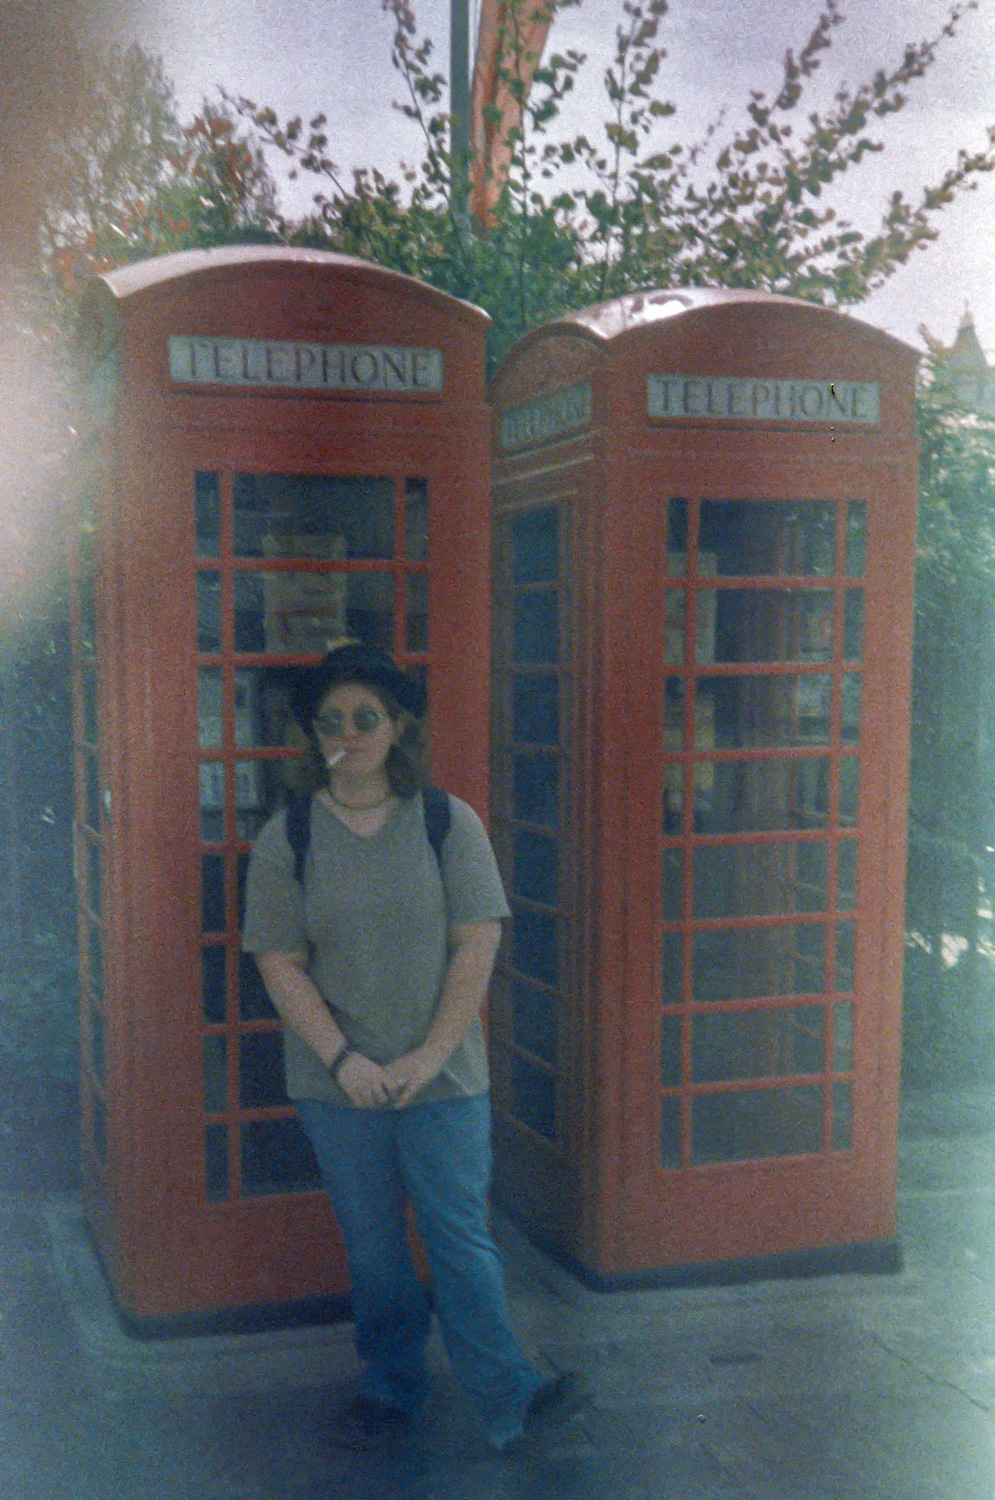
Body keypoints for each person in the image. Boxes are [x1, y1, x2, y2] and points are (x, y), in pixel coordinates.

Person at [241, 642, 585, 1452]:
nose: (350, 735)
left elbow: (476, 943)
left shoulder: (445, 821)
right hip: (338, 1085)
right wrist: (343, 1062)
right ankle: (392, 1382)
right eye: (332, 722)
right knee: (373, 1248)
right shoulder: (286, 838)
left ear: (398, 727)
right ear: (312, 736)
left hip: (444, 1077)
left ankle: (510, 1396)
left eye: (367, 719)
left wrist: (428, 1056)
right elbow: (279, 964)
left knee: (460, 1237)